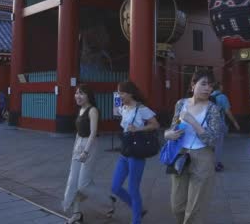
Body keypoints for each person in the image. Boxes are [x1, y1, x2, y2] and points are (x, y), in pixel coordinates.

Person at [164, 69, 221, 224]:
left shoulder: (213, 109)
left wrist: (193, 122)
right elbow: (173, 127)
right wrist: (167, 134)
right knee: (177, 206)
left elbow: (213, 140)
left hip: (203, 157)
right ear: (193, 84)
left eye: (211, 85)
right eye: (203, 84)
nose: (207, 88)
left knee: (194, 209)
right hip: (181, 155)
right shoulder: (181, 103)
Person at [109, 81, 159, 224]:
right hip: (124, 151)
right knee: (115, 187)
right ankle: (138, 209)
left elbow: (155, 124)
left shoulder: (141, 109)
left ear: (130, 93)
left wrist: (138, 129)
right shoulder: (123, 107)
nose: (119, 95)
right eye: (118, 93)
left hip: (136, 153)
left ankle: (136, 220)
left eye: (122, 93)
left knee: (133, 189)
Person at [63, 84, 100, 224]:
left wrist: (85, 151)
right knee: (72, 182)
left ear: (88, 96)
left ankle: (108, 201)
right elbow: (79, 133)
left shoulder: (92, 110)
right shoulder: (80, 110)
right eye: (77, 93)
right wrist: (76, 148)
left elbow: (93, 133)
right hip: (78, 146)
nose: (77, 96)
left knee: (82, 184)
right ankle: (77, 213)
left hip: (89, 146)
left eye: (81, 93)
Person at [210, 82, 240, 172]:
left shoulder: (209, 96)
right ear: (219, 87)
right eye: (222, 86)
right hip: (219, 122)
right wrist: (235, 122)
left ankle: (209, 162)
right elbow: (227, 111)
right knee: (218, 144)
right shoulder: (222, 97)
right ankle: (217, 164)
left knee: (211, 144)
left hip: (209, 123)